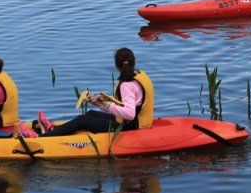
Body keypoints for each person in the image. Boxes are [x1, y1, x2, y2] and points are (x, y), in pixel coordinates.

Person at [19, 48, 153, 138]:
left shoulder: (126, 85)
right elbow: (131, 103)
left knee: (82, 120)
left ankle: (42, 138)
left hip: (129, 126)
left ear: (117, 65)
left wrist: (106, 105)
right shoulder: (140, 75)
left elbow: (129, 114)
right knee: (90, 114)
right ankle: (53, 130)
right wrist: (100, 102)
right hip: (135, 122)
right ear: (133, 62)